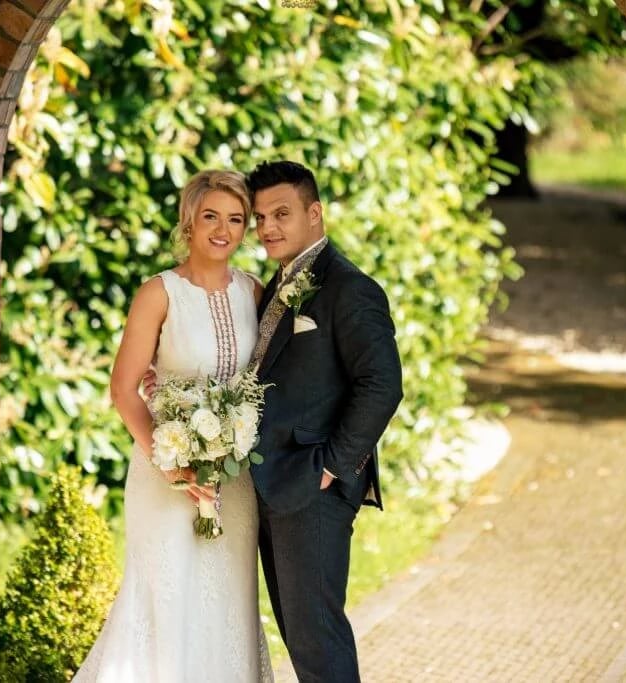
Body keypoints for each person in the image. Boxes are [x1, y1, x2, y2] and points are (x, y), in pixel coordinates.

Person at [74, 170, 272, 682]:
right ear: (189, 221)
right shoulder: (159, 293)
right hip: (164, 475)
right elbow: (124, 389)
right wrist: (171, 466)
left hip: (234, 482)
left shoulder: (254, 292)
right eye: (211, 216)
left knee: (228, 602)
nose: (223, 230)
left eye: (236, 219)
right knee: (165, 599)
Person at [246, 160, 403, 682]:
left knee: (318, 639)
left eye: (282, 213)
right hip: (274, 483)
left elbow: (382, 384)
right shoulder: (278, 283)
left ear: (314, 213)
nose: (268, 227)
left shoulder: (350, 288)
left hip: (313, 486)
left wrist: (331, 466)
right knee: (301, 636)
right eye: (260, 217)